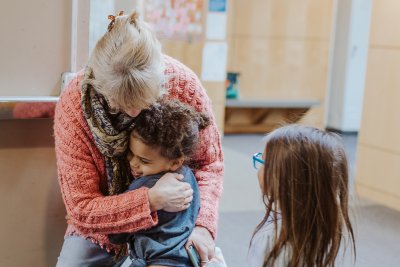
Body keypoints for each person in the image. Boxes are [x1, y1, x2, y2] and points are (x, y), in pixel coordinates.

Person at [55, 10, 223, 266]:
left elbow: (208, 164)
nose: (133, 112)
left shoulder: (183, 85)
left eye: (142, 101)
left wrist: (203, 227)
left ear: (160, 77)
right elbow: (81, 207)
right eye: (121, 103)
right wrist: (150, 199)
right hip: (102, 226)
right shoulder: (75, 104)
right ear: (101, 86)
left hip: (174, 222)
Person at [108, 99, 208, 266]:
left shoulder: (144, 186)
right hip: (187, 258)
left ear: (175, 162)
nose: (133, 163)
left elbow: (116, 234)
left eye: (144, 161)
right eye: (131, 154)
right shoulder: (189, 175)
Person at [247, 125, 356, 267]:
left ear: (288, 180)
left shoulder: (271, 239)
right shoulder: (324, 225)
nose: (259, 169)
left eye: (263, 162)